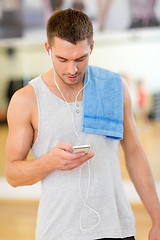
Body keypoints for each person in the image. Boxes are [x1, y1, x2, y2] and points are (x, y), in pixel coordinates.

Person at [5, 8, 160, 240]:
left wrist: (157, 220)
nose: (72, 69)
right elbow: (12, 174)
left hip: (116, 229)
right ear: (48, 49)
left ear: (92, 47)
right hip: (58, 232)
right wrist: (49, 162)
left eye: (81, 58)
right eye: (62, 59)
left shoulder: (114, 87)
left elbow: (135, 155)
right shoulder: (26, 100)